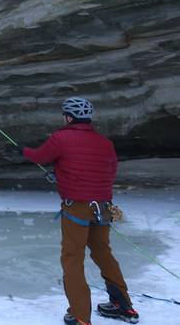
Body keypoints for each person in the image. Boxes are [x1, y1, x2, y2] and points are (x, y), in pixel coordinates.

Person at [23, 98, 139, 325]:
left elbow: (39, 157)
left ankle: (80, 316)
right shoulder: (106, 143)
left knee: (72, 259)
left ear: (68, 117)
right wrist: (62, 176)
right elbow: (107, 170)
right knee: (103, 253)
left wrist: (22, 150)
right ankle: (123, 306)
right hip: (103, 208)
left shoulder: (61, 137)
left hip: (77, 207)